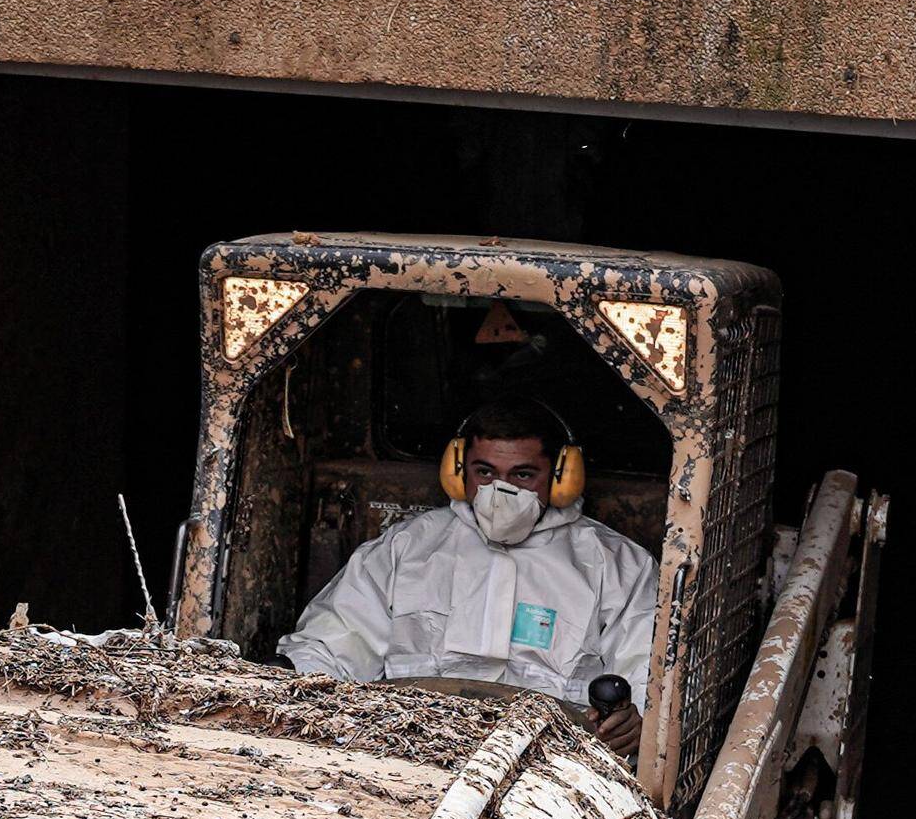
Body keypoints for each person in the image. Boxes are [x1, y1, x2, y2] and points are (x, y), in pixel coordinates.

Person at [278, 311, 656, 747]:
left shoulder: (617, 565)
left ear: (560, 478)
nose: (501, 490)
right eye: (484, 471)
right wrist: (296, 681)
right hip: (408, 748)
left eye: (522, 475)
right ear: (458, 472)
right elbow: (335, 640)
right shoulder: (408, 547)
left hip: (550, 765)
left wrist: (636, 719)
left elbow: (646, 674)